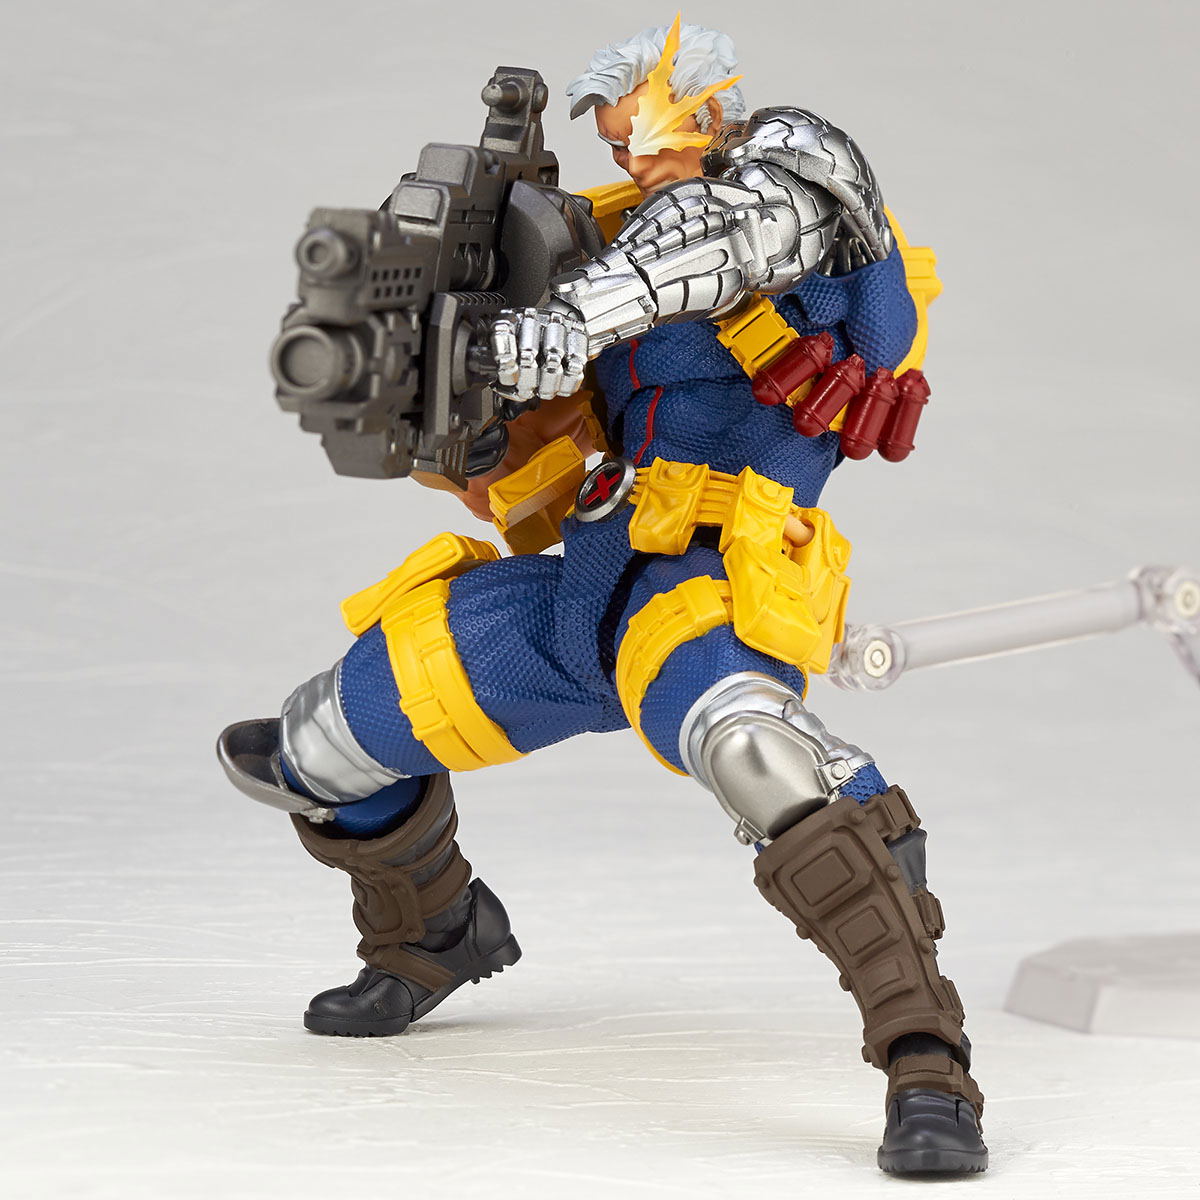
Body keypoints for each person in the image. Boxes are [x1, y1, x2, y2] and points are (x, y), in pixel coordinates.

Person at [219, 16, 987, 1176]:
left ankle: (926, 1059)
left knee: (757, 755)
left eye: (654, 127)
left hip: (711, 581)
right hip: (592, 581)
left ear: (711, 107)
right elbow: (531, 428)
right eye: (619, 139)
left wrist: (567, 318)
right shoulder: (602, 237)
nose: (636, 155)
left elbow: (718, 242)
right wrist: (446, 381)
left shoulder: (799, 181)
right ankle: (435, 933)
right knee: (330, 735)